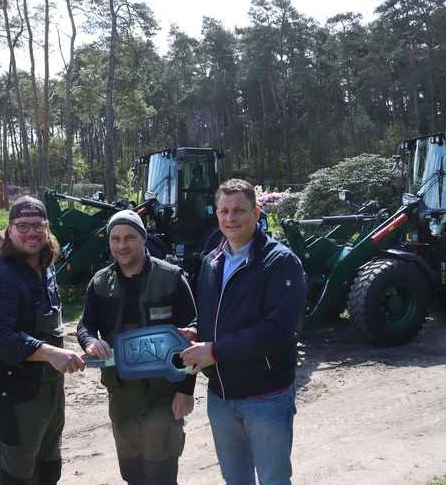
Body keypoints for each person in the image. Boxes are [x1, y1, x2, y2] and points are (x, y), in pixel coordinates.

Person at [180, 179, 306, 485]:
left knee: (273, 479)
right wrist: (197, 332)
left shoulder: (280, 262)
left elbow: (277, 330)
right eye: (224, 210)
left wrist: (214, 351)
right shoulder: (212, 262)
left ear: (256, 211)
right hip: (221, 397)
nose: (230, 218)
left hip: (266, 396)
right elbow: (211, 317)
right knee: (235, 479)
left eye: (239, 210)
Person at [77, 209, 197, 485]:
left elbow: (193, 331)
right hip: (121, 394)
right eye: (115, 239)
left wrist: (185, 390)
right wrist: (91, 341)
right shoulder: (99, 283)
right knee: (132, 473)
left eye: (130, 237)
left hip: (164, 393)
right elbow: (85, 325)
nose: (122, 245)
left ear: (144, 239)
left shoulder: (171, 278)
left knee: (161, 474)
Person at [0, 196, 85, 485]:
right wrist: (48, 352)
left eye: (38, 225)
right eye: (22, 226)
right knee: (16, 478)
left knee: (48, 471)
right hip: (14, 398)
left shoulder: (46, 268)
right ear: (9, 231)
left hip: (49, 394)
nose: (31, 232)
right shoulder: (0, 276)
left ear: (47, 228)